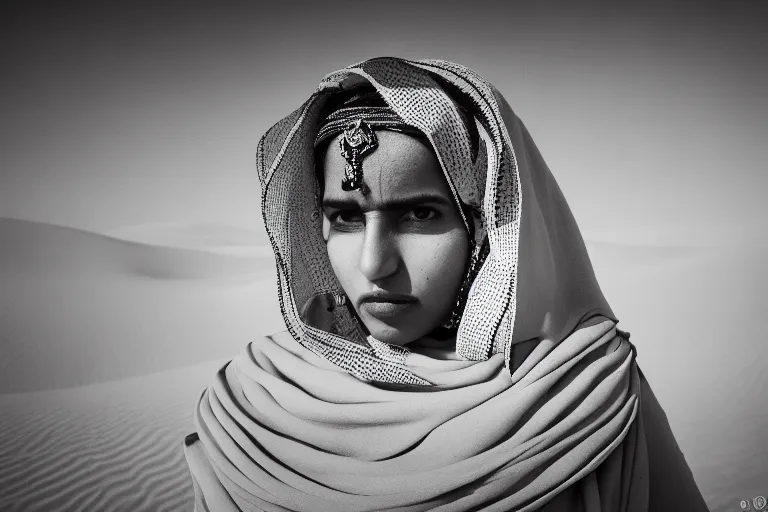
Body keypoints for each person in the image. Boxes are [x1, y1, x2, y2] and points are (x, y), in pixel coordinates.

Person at [183, 57, 708, 511]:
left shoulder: (585, 390)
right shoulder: (253, 403)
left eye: (418, 214)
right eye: (344, 218)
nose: (374, 264)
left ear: (484, 226)